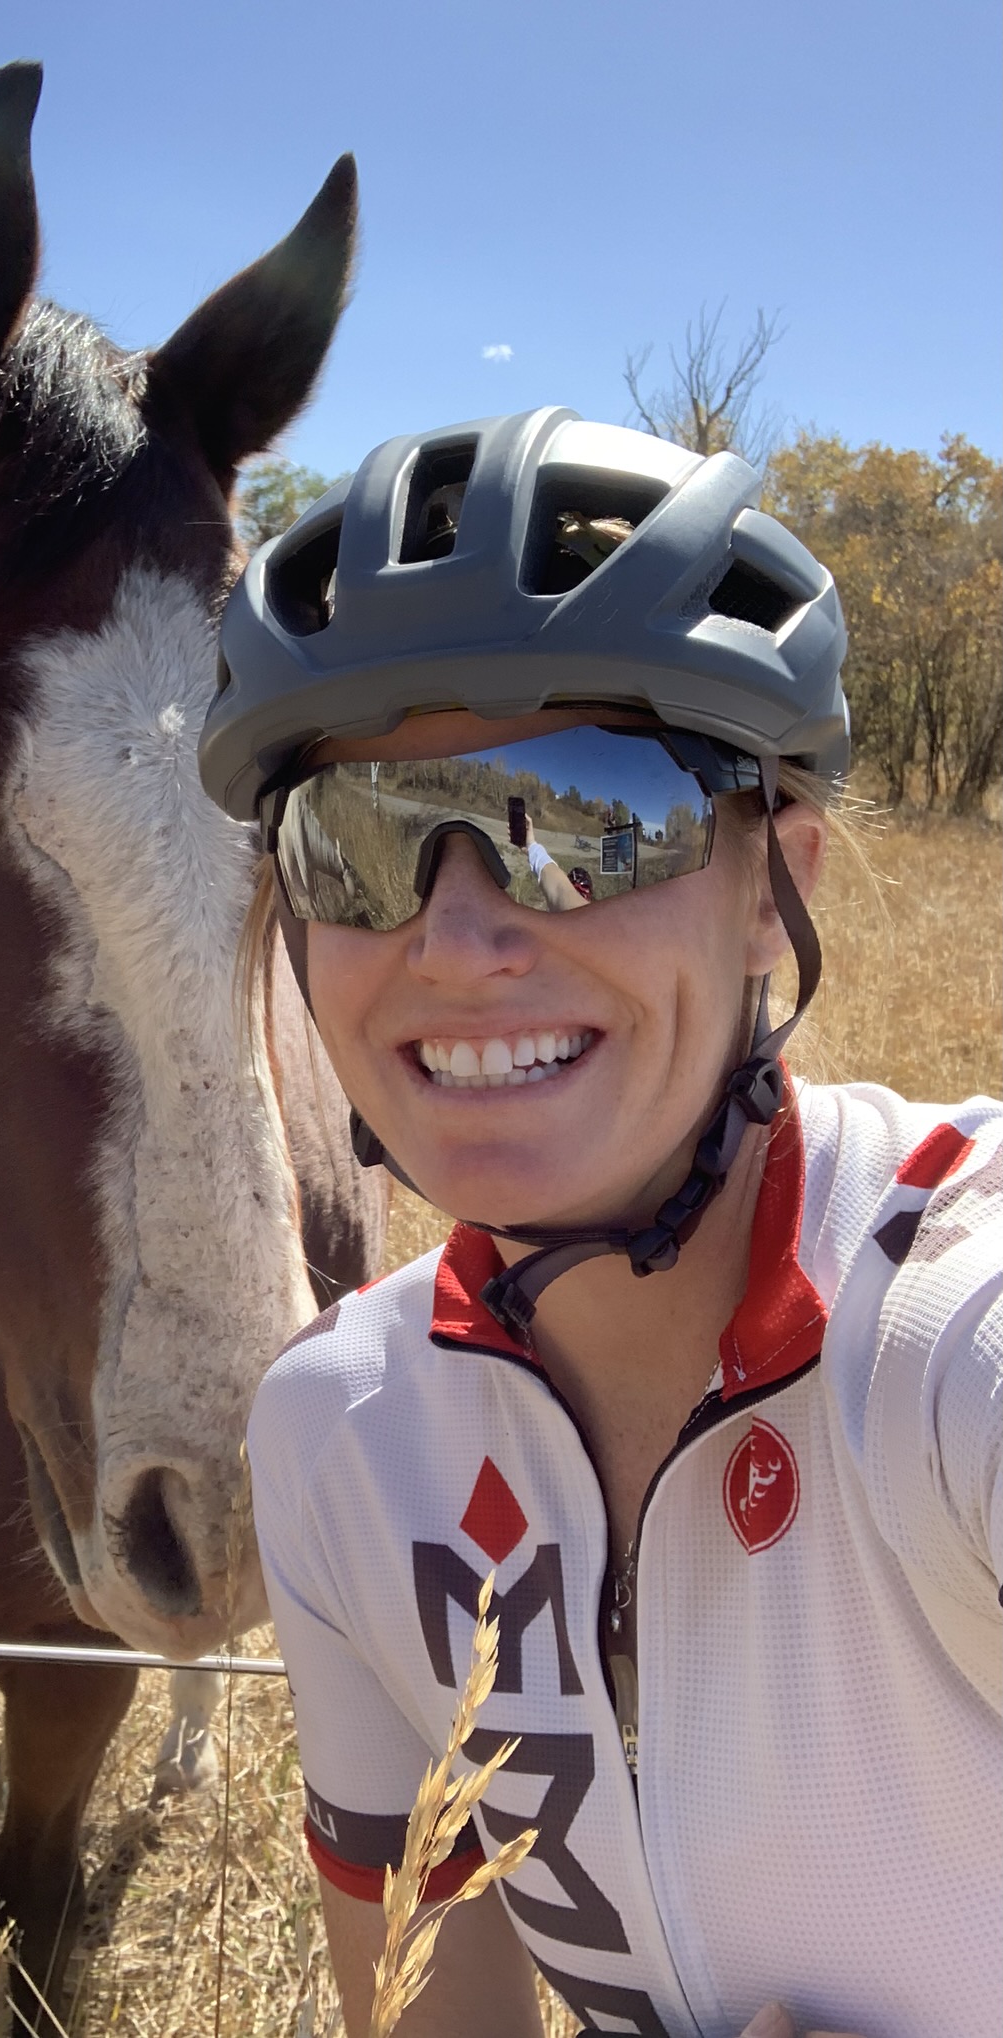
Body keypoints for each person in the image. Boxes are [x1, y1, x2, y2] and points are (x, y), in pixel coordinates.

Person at [200, 411, 1002, 2038]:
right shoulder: (339, 1439)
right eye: (354, 841)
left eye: (581, 815)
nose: (463, 933)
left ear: (779, 877)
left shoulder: (942, 1331)